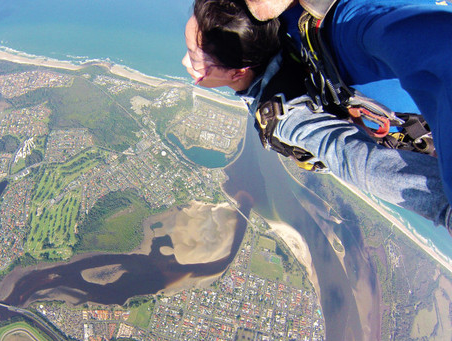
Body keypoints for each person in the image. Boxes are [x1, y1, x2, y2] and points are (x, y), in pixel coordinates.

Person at [183, 0, 452, 232]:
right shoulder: (272, 19)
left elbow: (348, 155)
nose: (186, 63)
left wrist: (443, 206)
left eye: (195, 60)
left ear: (236, 72)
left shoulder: (361, 25)